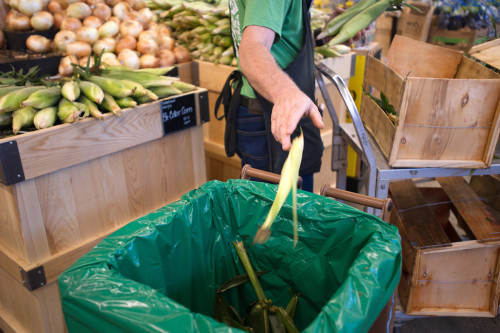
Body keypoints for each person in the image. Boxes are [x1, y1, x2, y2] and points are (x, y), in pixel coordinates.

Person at [215, 0, 335, 192]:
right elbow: (251, 48)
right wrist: (285, 92)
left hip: (278, 114)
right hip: (268, 119)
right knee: (275, 215)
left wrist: (323, 37)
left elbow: (281, 40)